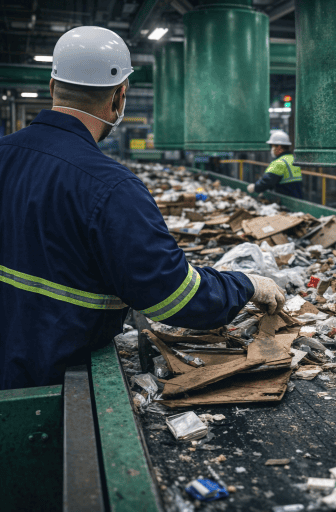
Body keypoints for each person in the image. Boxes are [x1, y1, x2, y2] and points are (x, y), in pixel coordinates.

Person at [0, 27, 285, 390]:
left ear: (52, 84)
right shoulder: (110, 187)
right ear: (120, 98)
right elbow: (174, 297)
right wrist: (244, 284)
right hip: (50, 378)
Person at [247, 130, 303, 199]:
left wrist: (255, 187)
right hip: (297, 199)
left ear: (279, 147)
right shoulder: (293, 158)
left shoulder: (279, 162)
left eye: (271, 146)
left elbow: (267, 181)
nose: (271, 149)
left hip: (285, 200)